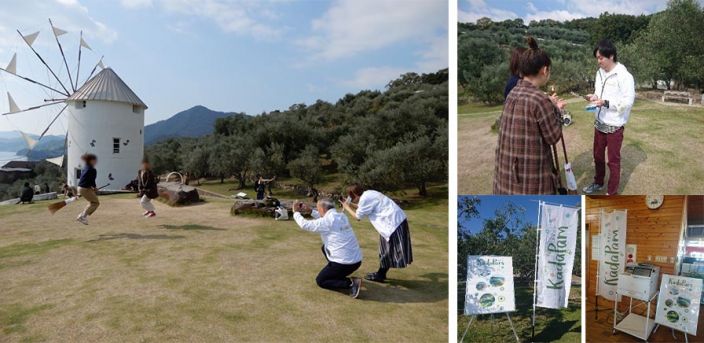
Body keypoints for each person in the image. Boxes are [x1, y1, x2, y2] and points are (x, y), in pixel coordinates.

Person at [493, 36, 567, 194]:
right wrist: (557, 111)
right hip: (530, 179)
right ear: (544, 70)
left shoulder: (513, 91)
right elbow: (553, 137)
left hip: (507, 175)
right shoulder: (539, 99)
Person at [582, 39, 635, 196]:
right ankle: (598, 183)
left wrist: (606, 103)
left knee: (613, 161)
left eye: (601, 58)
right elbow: (599, 91)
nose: (598, 62)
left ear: (611, 56)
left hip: (615, 126)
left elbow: (627, 102)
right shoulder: (599, 73)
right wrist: (594, 96)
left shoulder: (625, 76)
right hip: (599, 123)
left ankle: (611, 193)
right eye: (597, 58)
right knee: (597, 157)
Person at [341, 184, 412, 283]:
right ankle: (381, 274)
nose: (351, 199)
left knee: (387, 251)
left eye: (351, 196)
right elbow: (362, 207)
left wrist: (346, 207)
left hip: (392, 224)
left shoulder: (365, 199)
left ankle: (380, 275)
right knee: (386, 250)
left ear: (354, 194)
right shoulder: (369, 193)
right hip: (397, 221)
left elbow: (358, 217)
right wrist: (349, 205)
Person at [292, 198, 363, 298]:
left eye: (318, 208)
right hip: (356, 261)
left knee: (321, 280)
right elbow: (324, 219)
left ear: (323, 209)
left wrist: (296, 212)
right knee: (324, 247)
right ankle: (336, 274)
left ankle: (351, 283)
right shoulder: (341, 216)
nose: (318, 210)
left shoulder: (327, 221)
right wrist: (311, 211)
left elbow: (305, 224)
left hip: (344, 264)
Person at [76, 153, 99, 225]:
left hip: (80, 187)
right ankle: (82, 216)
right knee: (95, 203)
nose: (96, 161)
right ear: (91, 161)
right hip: (84, 188)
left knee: (92, 202)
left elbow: (86, 179)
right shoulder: (93, 170)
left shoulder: (85, 167)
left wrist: (91, 188)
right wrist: (95, 188)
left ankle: (82, 216)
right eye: (95, 160)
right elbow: (92, 180)